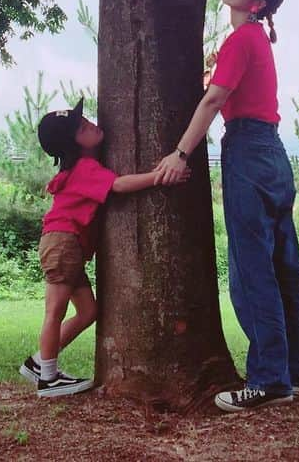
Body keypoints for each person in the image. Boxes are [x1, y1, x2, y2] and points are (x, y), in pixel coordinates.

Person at [155, 0, 299, 413]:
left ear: (258, 2)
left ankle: (267, 380)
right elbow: (224, 89)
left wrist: (180, 153)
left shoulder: (243, 38)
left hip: (249, 149)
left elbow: (215, 99)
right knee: (282, 266)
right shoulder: (253, 41)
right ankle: (292, 373)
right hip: (272, 153)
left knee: (251, 269)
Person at [19, 99, 189, 398]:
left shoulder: (83, 167)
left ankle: (38, 363)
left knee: (88, 311)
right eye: (83, 128)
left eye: (87, 121)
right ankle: (48, 379)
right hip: (63, 243)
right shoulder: (85, 168)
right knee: (55, 311)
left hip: (67, 245)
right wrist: (159, 176)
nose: (93, 125)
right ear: (74, 145)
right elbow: (119, 186)